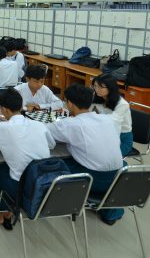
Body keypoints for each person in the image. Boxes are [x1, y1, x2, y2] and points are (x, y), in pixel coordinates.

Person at [0, 88, 55, 228]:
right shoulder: (39, 125)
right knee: (5, 166)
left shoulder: (1, 128)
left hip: (21, 185)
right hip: (45, 180)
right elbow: (51, 144)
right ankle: (7, 208)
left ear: (4, 109)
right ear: (20, 106)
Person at [47, 83, 125, 225]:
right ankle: (111, 212)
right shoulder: (108, 119)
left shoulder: (71, 124)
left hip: (92, 179)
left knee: (52, 162)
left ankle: (66, 203)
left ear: (70, 103)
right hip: (119, 179)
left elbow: (45, 132)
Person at [92, 74, 133, 156]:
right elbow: (87, 113)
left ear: (111, 88)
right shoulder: (97, 97)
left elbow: (113, 125)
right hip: (103, 133)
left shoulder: (122, 104)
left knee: (103, 157)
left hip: (121, 138)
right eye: (95, 86)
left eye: (101, 87)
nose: (97, 90)